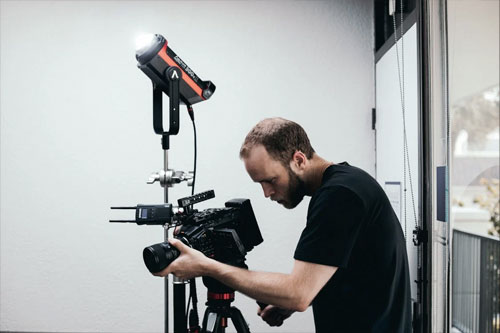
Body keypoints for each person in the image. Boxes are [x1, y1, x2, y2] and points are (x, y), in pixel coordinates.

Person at [154, 117, 412, 332]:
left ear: (299, 160)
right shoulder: (348, 184)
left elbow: (297, 293)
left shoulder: (339, 196)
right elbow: (351, 271)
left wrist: (207, 267)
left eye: (270, 180)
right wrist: (292, 301)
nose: (267, 193)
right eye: (260, 184)